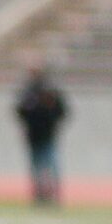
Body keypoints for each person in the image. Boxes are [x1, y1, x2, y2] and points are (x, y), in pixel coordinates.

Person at [12, 64, 68, 208]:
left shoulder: (51, 92)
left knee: (50, 167)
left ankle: (54, 195)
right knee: (37, 168)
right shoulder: (29, 93)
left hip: (48, 136)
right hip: (34, 137)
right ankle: (39, 196)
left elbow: (62, 111)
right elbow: (20, 111)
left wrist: (51, 119)